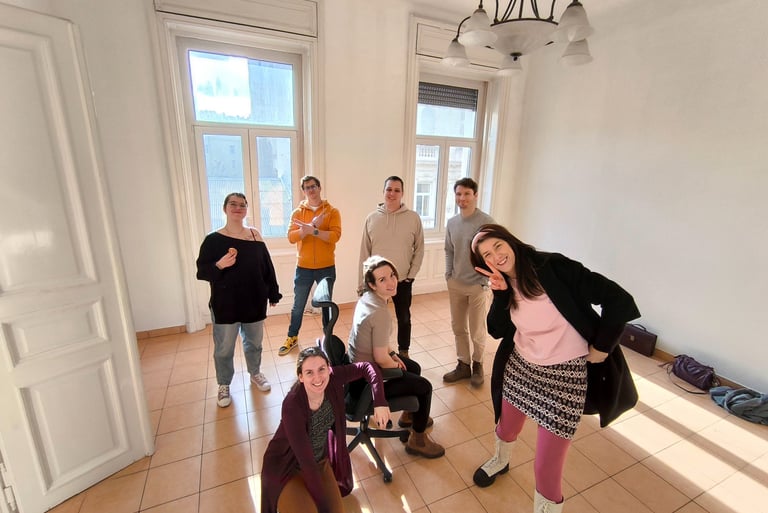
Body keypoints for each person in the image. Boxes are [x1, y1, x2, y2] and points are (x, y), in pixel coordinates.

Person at [469, 224, 640, 513]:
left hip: (565, 377)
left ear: (509, 241)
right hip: (521, 367)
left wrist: (602, 347)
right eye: (486, 255)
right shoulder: (503, 284)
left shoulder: (553, 267)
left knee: (546, 465)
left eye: (498, 246)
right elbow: (496, 330)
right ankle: (501, 460)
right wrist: (500, 294)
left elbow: (619, 300)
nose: (496, 256)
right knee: (506, 427)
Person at [260, 346, 391, 513]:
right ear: (300, 377)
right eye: (309, 372)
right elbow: (306, 462)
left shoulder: (333, 378)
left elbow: (368, 367)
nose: (317, 378)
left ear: (329, 368)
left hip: (319, 462)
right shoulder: (292, 405)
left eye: (321, 369)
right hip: (287, 466)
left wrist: (380, 401)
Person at [347, 255, 445, 458]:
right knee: (424, 386)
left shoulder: (367, 299)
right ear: (372, 284)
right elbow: (380, 358)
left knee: (414, 367)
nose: (391, 282)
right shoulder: (379, 313)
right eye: (382, 279)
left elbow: (378, 342)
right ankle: (418, 440)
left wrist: (393, 354)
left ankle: (410, 415)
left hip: (356, 370)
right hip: (366, 382)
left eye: (392, 275)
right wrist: (394, 365)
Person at [196, 192, 282, 408]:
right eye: (233, 204)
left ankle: (255, 373)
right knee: (224, 348)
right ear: (224, 208)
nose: (238, 208)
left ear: (246, 210)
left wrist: (273, 292)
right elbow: (202, 272)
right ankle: (224, 384)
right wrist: (219, 265)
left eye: (242, 205)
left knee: (254, 343)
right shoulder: (213, 240)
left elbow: (267, 266)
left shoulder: (254, 235)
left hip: (254, 300)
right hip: (226, 304)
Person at [358, 175, 424, 359]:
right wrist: (362, 284)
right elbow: (364, 253)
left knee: (404, 318)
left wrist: (411, 275)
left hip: (402, 280)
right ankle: (377, 351)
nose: (392, 193)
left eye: (396, 190)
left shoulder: (413, 218)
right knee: (375, 319)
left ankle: (404, 352)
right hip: (376, 283)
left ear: (402, 193)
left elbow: (420, 248)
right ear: (383, 191)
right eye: (389, 189)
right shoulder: (372, 218)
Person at [279, 176, 342, 357]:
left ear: (319, 188)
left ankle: (327, 340)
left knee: (326, 306)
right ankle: (292, 337)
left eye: (313, 186)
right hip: (303, 268)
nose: (311, 190)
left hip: (326, 267)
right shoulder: (297, 213)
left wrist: (313, 230)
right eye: (307, 187)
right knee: (298, 306)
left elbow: (335, 236)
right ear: (303, 191)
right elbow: (291, 237)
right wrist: (306, 229)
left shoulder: (332, 211)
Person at [443, 177, 495, 387]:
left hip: (477, 286)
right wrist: (449, 275)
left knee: (477, 330)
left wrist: (485, 280)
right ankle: (463, 364)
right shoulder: (452, 223)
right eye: (458, 194)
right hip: (456, 283)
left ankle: (478, 365)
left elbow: (493, 254)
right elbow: (449, 250)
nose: (462, 198)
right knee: (458, 327)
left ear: (475, 195)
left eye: (466, 194)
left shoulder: (487, 222)